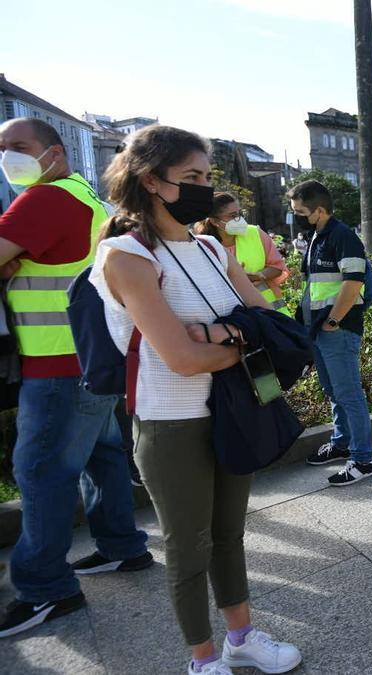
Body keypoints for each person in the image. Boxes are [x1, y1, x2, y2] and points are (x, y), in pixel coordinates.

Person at [88, 124, 300, 674]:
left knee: (230, 534)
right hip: (171, 421)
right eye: (191, 178)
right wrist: (234, 337)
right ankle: (203, 660)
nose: (205, 188)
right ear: (150, 181)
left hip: (234, 407)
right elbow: (180, 360)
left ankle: (242, 638)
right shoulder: (126, 256)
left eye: (208, 176)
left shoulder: (210, 246)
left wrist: (217, 336)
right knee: (188, 547)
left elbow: (270, 325)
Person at [0, 117, 152, 639]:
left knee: (42, 469)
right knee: (102, 454)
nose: (8, 157)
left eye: (19, 147)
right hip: (94, 356)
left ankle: (45, 587)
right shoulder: (85, 198)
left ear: (55, 152)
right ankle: (122, 547)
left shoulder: (42, 200)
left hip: (58, 365)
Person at [291, 180, 372, 485]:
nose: (296, 217)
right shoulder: (317, 236)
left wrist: (333, 321)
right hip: (320, 329)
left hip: (337, 330)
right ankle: (342, 444)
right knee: (334, 391)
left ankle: (363, 459)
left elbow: (352, 283)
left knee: (349, 394)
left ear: (320, 210)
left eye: (300, 212)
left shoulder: (343, 237)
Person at [195, 193, 290, 315]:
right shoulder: (201, 245)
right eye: (232, 216)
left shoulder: (255, 233)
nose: (239, 219)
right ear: (214, 221)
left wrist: (260, 275)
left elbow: (277, 267)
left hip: (268, 312)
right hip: (227, 314)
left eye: (240, 214)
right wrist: (235, 277)